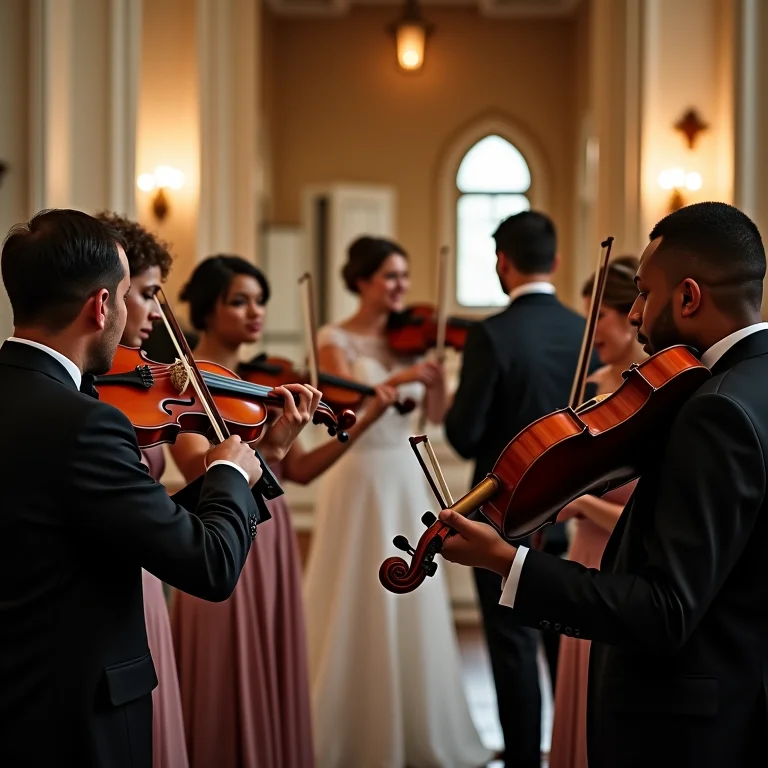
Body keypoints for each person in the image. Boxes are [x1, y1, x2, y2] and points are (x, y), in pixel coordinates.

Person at [437, 201, 768, 768]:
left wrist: (506, 563)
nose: (635, 313)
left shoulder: (715, 411)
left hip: (687, 733)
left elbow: (664, 607)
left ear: (688, 297)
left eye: (642, 293)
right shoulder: (746, 384)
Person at [0, 209, 277, 768]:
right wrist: (226, 474)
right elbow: (209, 565)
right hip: (74, 714)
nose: (132, 313)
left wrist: (248, 473)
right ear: (101, 306)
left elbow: (105, 523)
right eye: (128, 296)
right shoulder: (87, 421)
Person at [167, 255, 397, 768]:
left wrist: (361, 422)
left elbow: (303, 471)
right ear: (207, 310)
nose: (256, 312)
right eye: (240, 300)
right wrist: (270, 445)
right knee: (227, 668)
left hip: (269, 535)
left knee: (269, 662)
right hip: (220, 531)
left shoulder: (256, 385)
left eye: (261, 301)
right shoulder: (180, 386)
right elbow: (200, 479)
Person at [304, 236, 492, 768]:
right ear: (362, 280)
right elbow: (344, 410)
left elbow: (433, 416)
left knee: (411, 592)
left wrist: (433, 379)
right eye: (390, 276)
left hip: (407, 477)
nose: (401, 287)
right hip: (360, 476)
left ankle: (418, 726)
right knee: (355, 588)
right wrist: (400, 377)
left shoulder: (413, 342)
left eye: (404, 277)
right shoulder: (333, 337)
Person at [443, 210, 599, 768]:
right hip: (577, 513)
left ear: (501, 263)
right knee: (569, 642)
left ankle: (525, 763)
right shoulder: (588, 331)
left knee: (512, 648)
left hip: (503, 514)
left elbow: (462, 437)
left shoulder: (492, 335)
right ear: (555, 261)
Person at [94, 211, 188, 768]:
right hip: (125, 579)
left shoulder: (145, 386)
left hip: (147, 569)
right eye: (145, 294)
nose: (154, 312)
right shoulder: (91, 399)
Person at [548, 256, 644, 768]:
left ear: (634, 314)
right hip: (585, 553)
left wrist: (580, 502)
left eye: (598, 318)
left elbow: (645, 512)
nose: (589, 332)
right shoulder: (594, 389)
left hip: (621, 560)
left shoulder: (654, 398)